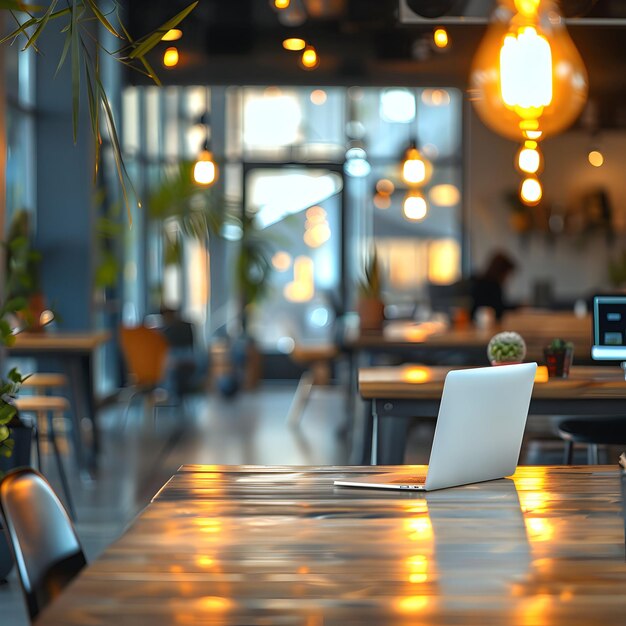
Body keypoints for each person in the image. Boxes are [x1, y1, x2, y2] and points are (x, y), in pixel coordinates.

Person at [469, 251, 517, 322]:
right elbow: (499, 308)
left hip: (476, 321)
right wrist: (517, 307)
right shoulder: (493, 285)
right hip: (485, 323)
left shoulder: (480, 282)